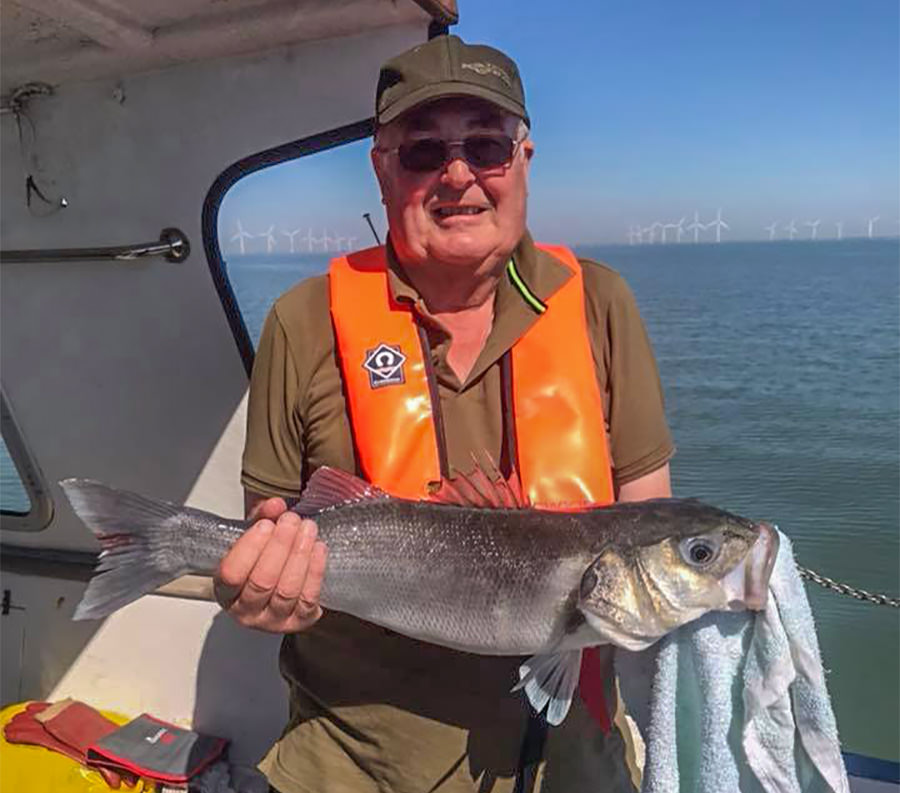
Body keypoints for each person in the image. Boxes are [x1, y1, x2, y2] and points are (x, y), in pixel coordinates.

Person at [214, 34, 674, 793]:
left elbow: (648, 525)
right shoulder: (303, 320)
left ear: (524, 158)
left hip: (573, 759)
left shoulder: (601, 302)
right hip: (360, 763)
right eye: (424, 152)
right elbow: (269, 527)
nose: (458, 175)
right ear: (381, 166)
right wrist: (259, 591)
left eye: (486, 146)